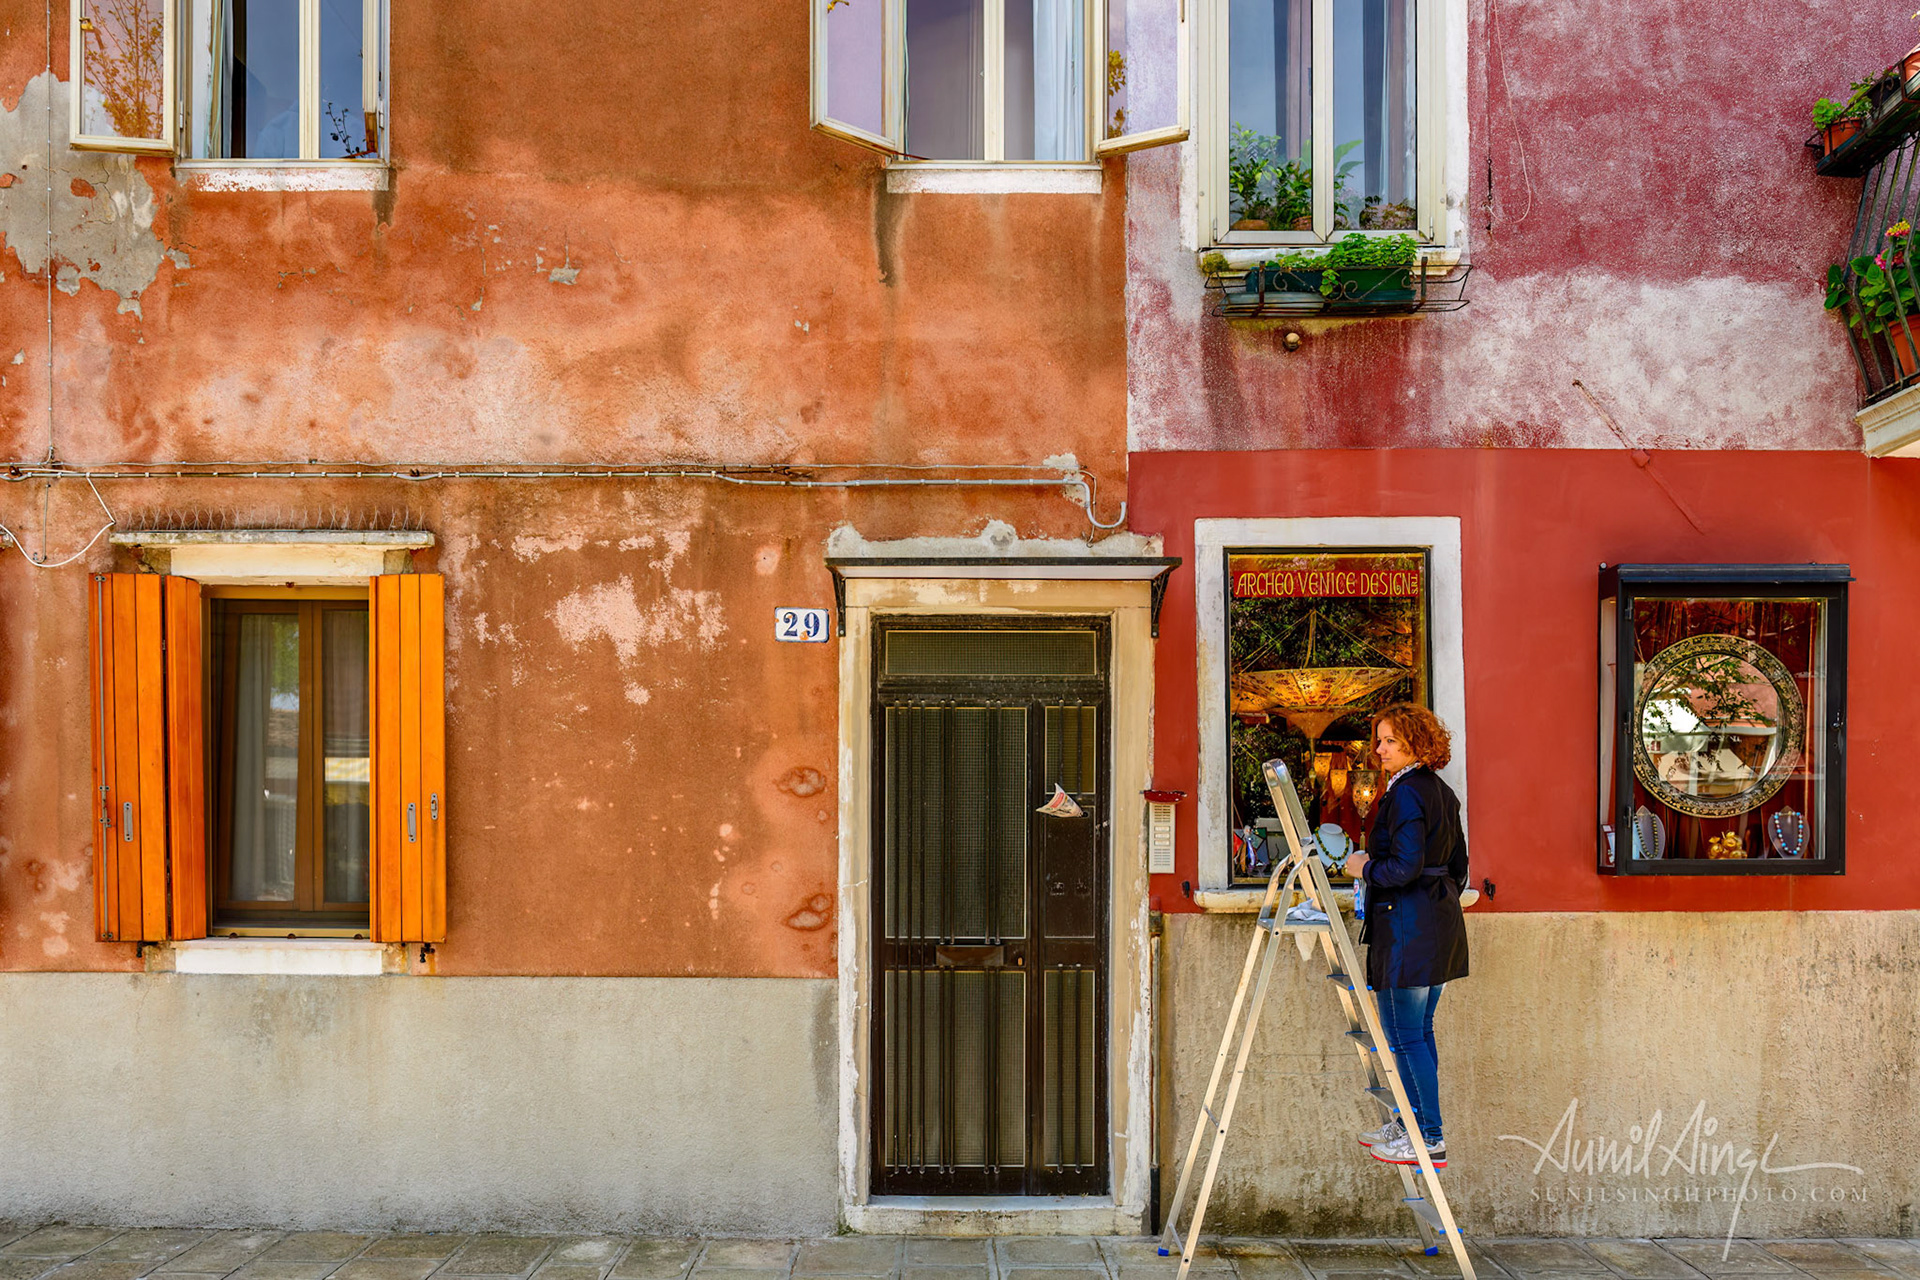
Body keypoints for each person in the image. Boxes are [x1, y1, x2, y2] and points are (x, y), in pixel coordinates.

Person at [1340, 702, 1468, 1169]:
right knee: (1418, 1032)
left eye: (1390, 740)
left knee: (1403, 1037)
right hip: (1434, 924)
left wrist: (1363, 866)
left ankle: (1427, 1135)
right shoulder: (1440, 792)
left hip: (1409, 931)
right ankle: (1410, 1122)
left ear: (1415, 742)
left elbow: (1403, 867)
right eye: (1380, 739)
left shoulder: (1408, 793)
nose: (1380, 748)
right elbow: (1460, 868)